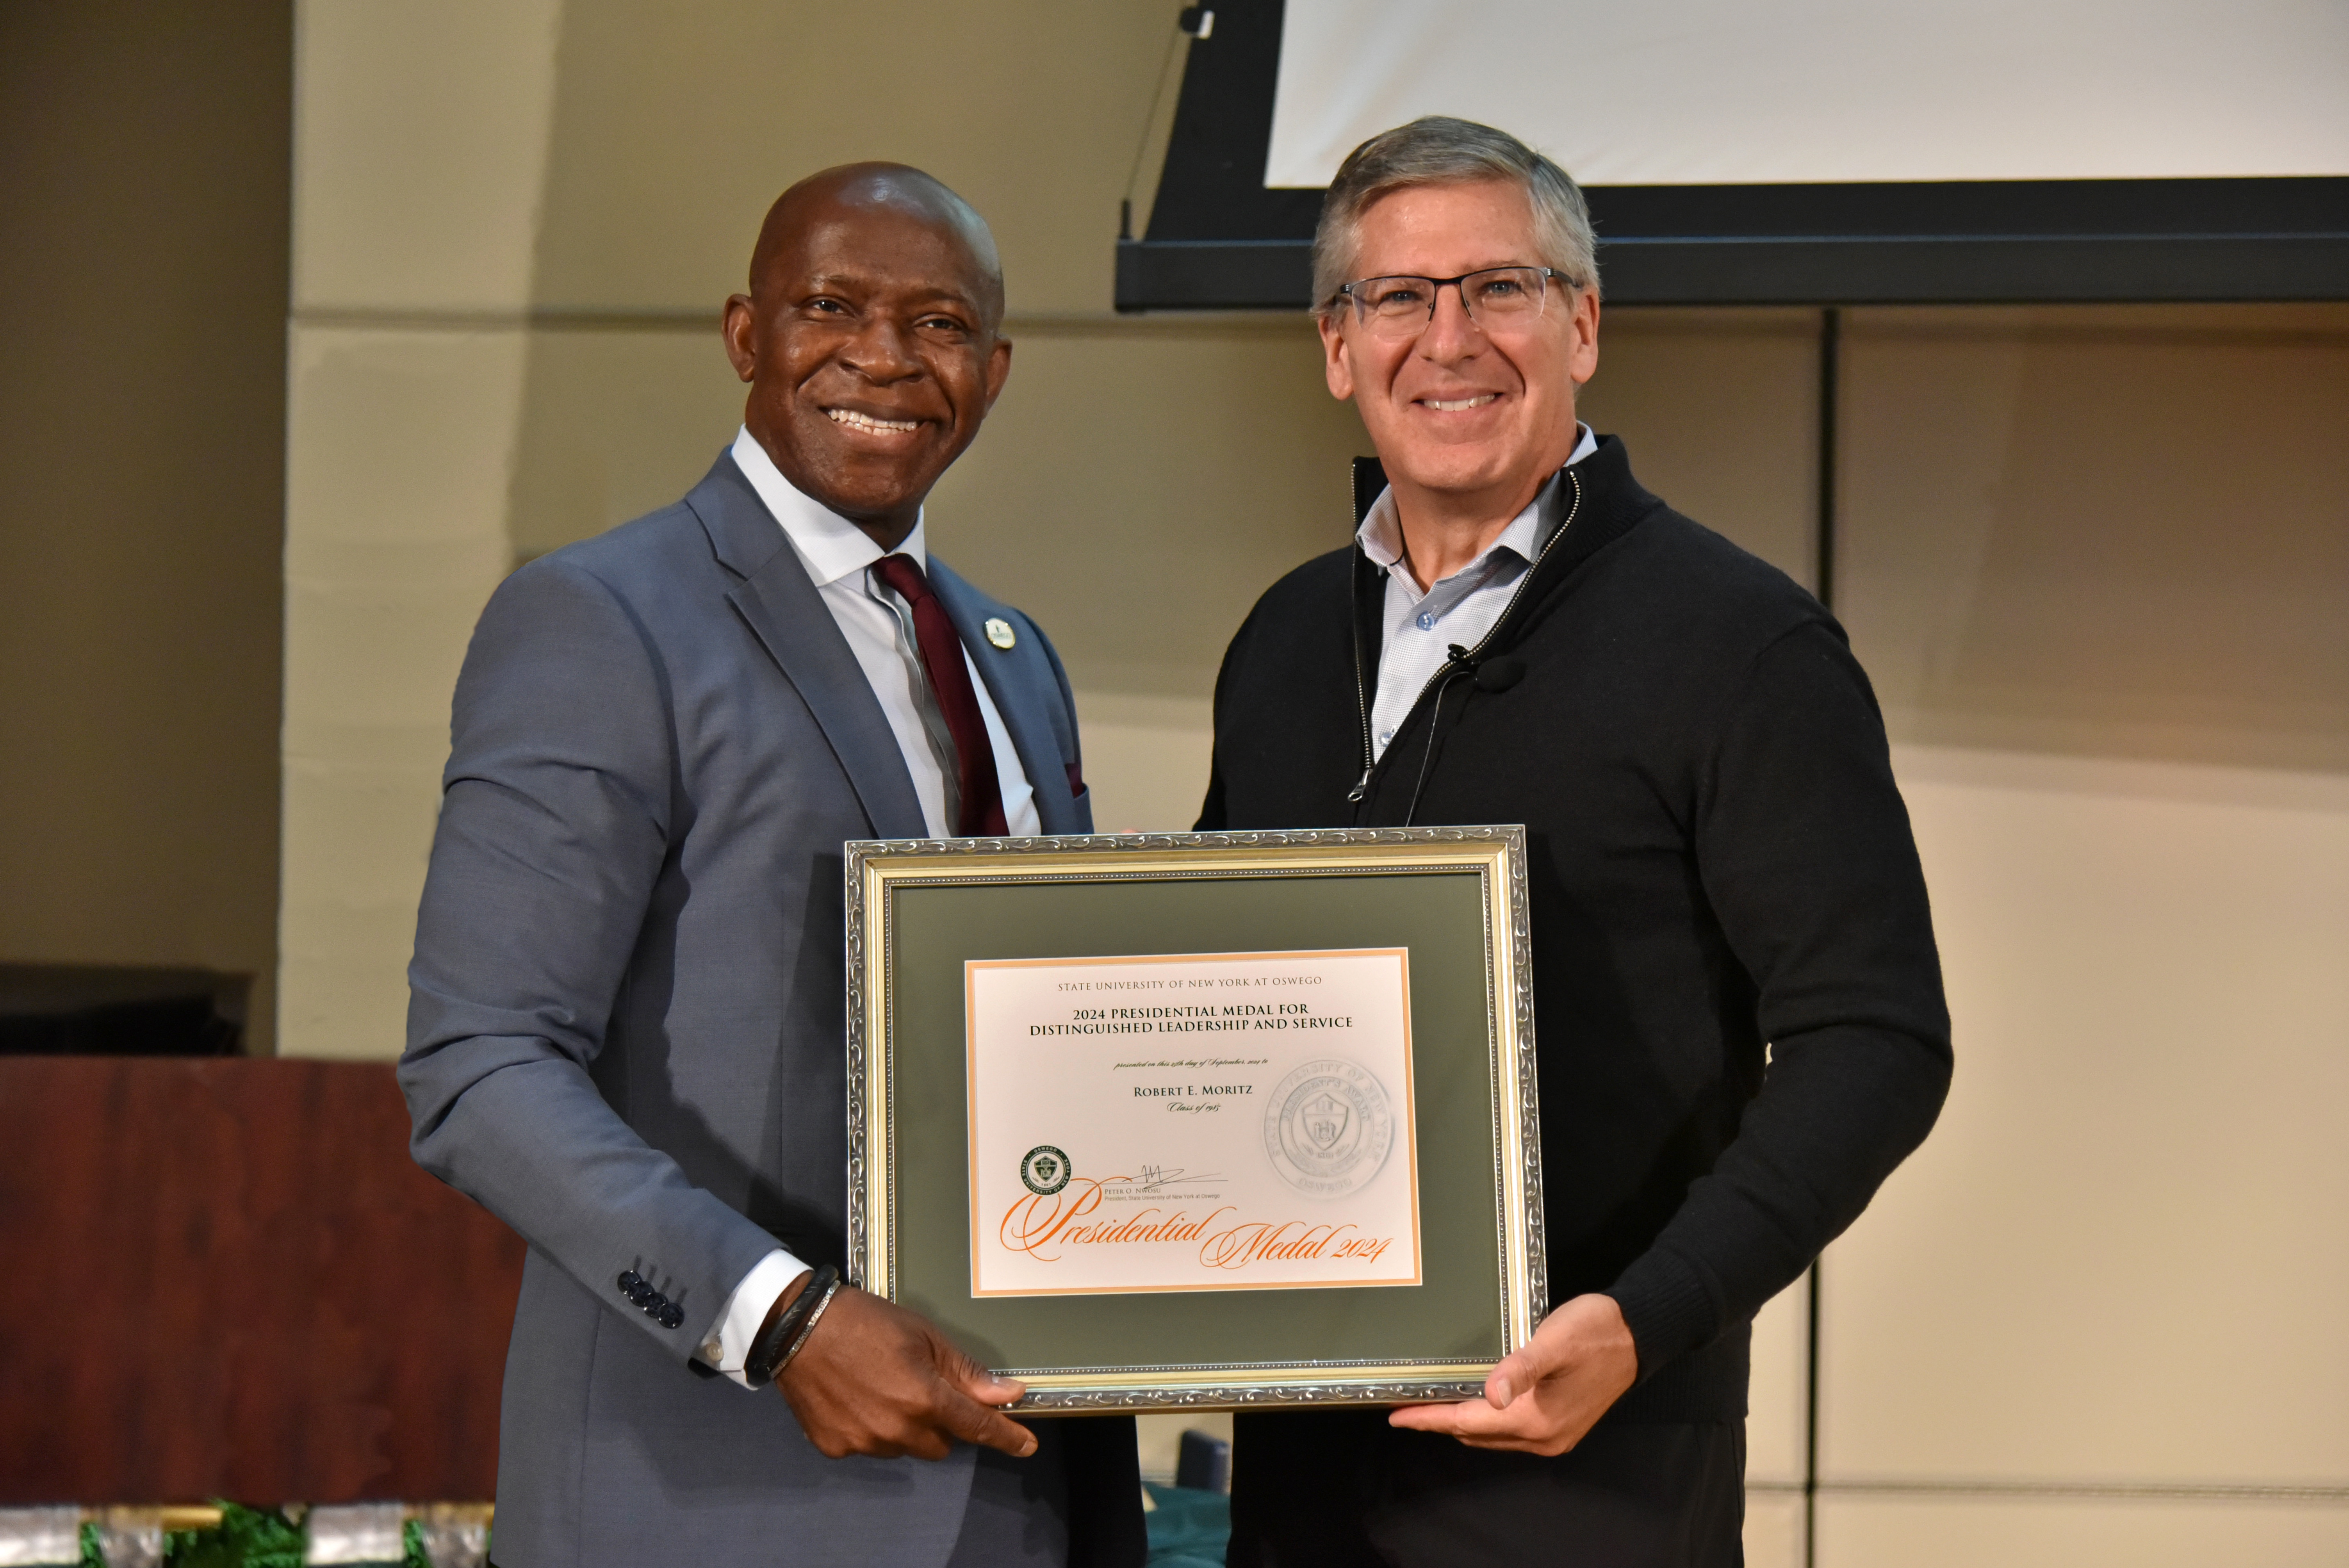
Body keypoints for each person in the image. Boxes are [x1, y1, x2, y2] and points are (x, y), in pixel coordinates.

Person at [1198, 117, 1953, 1565]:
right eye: (1399, 298)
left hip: (1592, 1469)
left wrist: (1646, 1320)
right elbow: (1217, 999)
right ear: (1337, 348)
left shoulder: (1744, 646)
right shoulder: (1286, 641)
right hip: (1298, 1468)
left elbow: (1878, 1041)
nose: (1449, 338)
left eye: (1500, 288)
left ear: (1584, 324)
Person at [400, 164, 1141, 1568]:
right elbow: (480, 1071)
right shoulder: (600, 620)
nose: (883, 356)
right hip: (713, 1493)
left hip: (1024, 1484)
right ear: (748, 336)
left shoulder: (1011, 658)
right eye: (832, 306)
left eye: (937, 323)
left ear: (994, 370)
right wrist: (783, 1318)